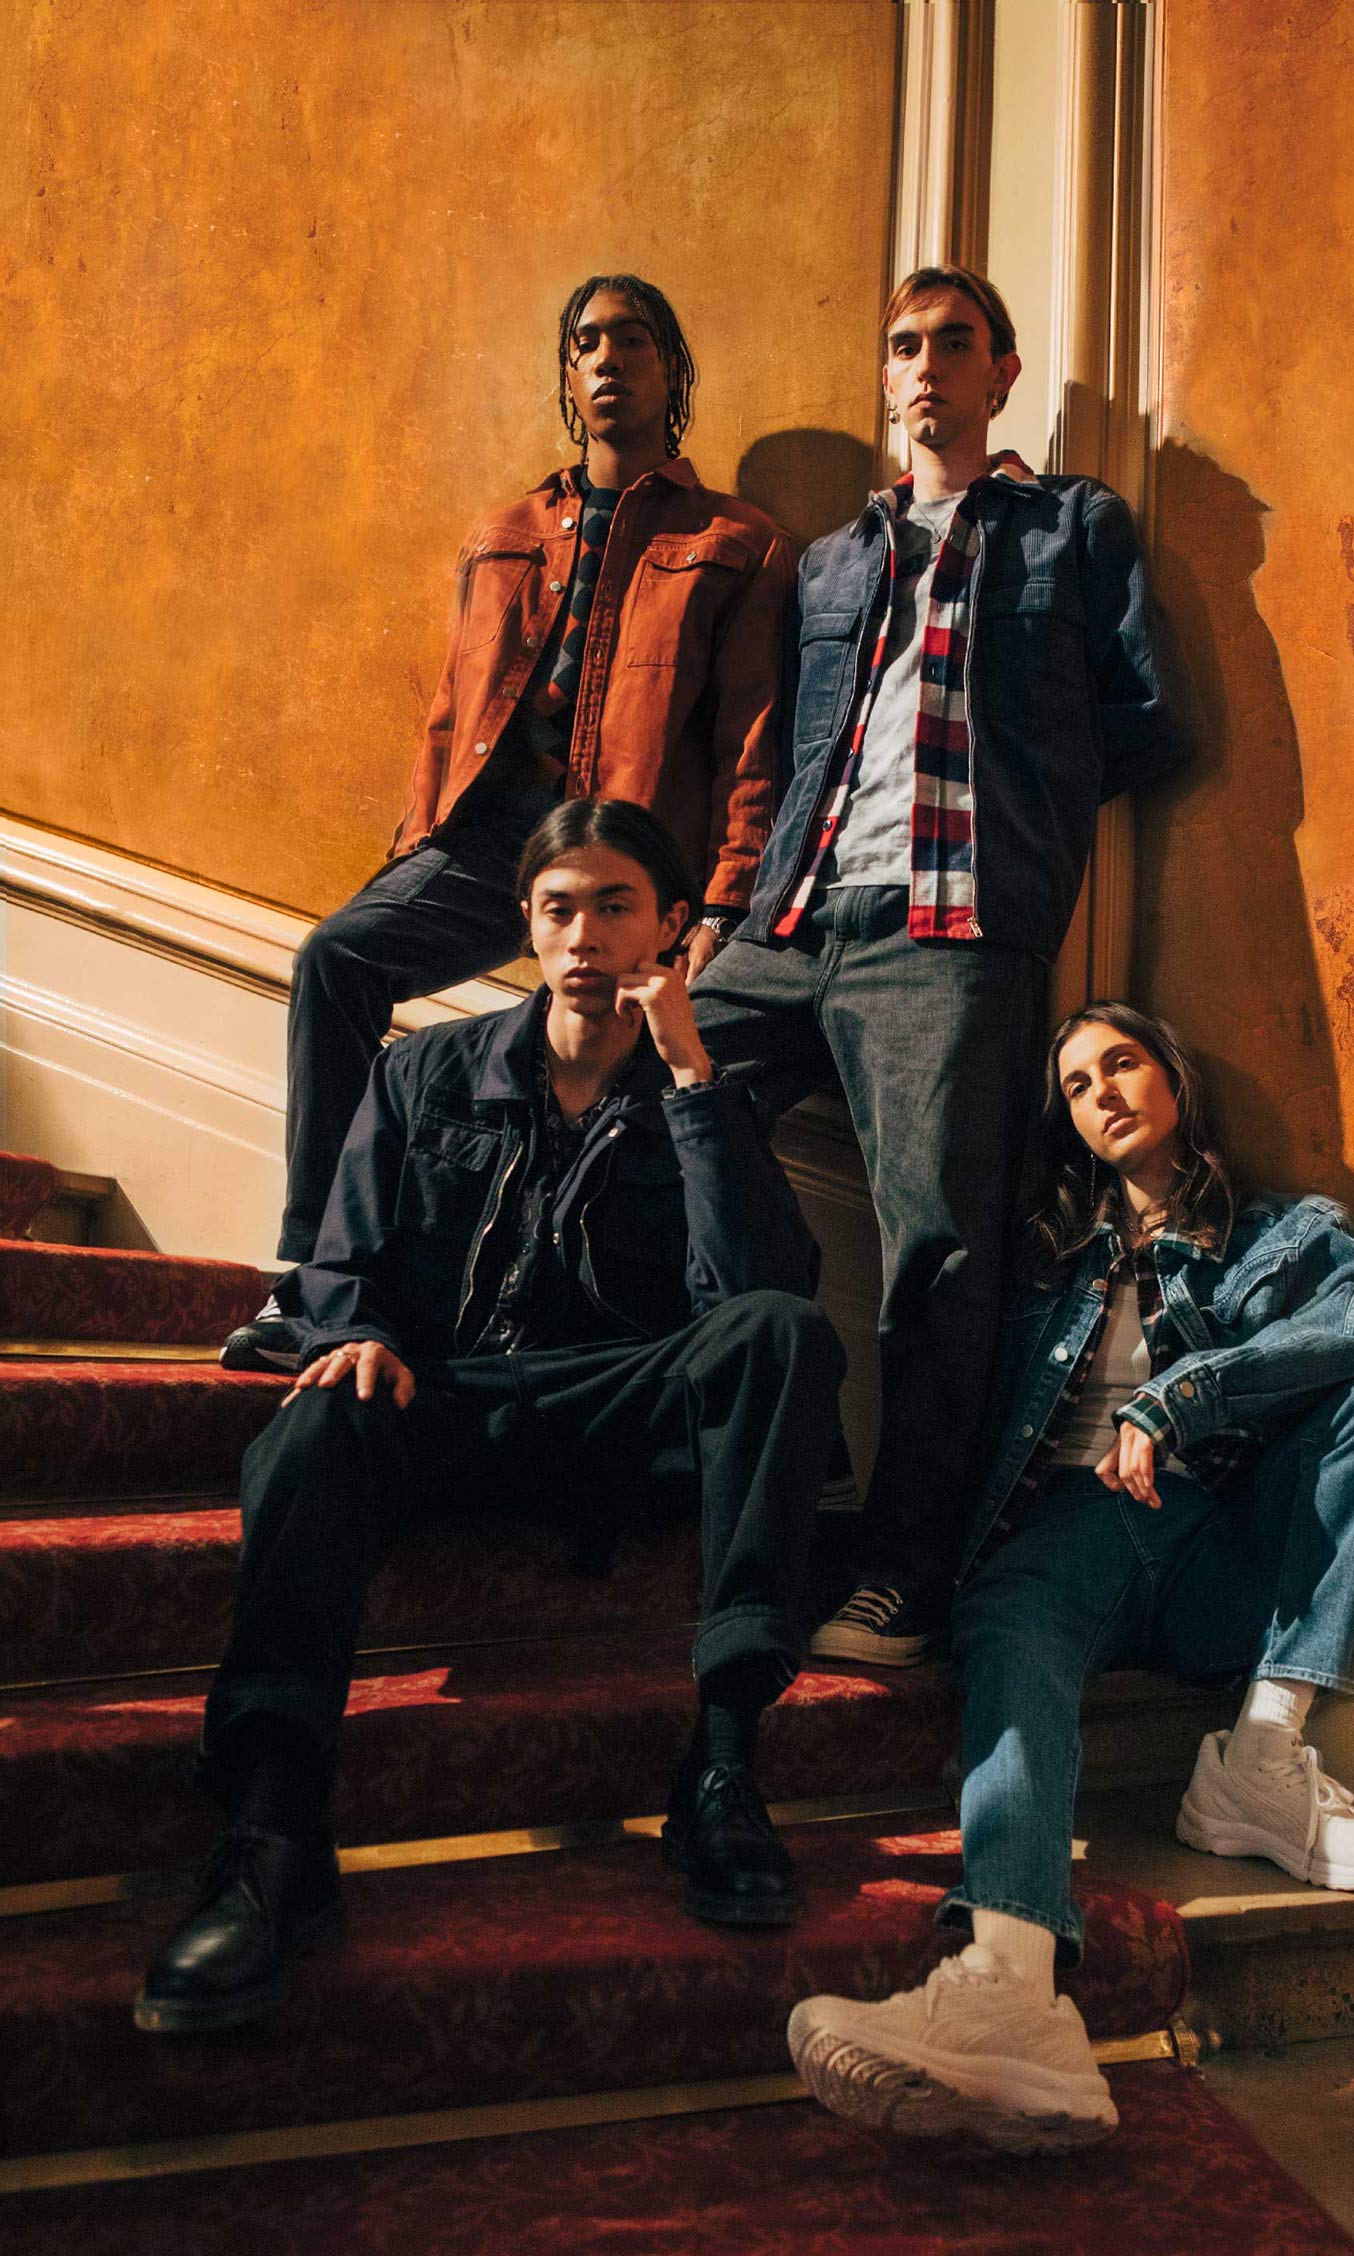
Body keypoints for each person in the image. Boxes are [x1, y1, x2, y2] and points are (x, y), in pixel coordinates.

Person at [138, 803, 844, 2034]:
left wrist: (691, 1077)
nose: (585, 935)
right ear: (526, 924)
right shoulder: (424, 1071)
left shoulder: (700, 1096)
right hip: (450, 1403)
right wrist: (355, 1334)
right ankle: (272, 1834)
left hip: (614, 1415)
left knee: (780, 1333)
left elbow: (750, 1291)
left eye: (616, 906)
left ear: (672, 928)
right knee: (312, 1419)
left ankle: (724, 1768)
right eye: (560, 908)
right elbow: (338, 1260)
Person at [788, 1001, 1354, 2153]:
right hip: (1072, 1529)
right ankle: (1009, 1980)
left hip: (1220, 1538)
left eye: (1122, 1063)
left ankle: (1261, 1757)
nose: (1101, 1093)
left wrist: (1181, 1394)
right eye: (1077, 1085)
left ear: (1175, 1079)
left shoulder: (1284, 1233)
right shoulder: (1038, 1250)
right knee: (1014, 1628)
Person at [691, 265, 1192, 1665]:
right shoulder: (831, 560)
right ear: (887, 376)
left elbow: (1146, 718)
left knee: (939, 1249)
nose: (925, 366)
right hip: (793, 919)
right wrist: (732, 908)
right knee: (652, 1110)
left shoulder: (1071, 527)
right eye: (905, 345)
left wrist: (1017, 830)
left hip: (949, 933)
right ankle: (795, 1435)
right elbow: (792, 744)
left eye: (953, 344)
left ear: (1000, 374)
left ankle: (902, 1572)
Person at [225, 274, 794, 1370]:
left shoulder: (738, 543)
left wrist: (724, 901)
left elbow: (752, 746)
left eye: (633, 339)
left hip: (623, 862)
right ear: (568, 376)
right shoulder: (504, 534)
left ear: (672, 368)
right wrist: (412, 851)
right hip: (488, 847)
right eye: (587, 342)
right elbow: (448, 711)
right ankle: (312, 1283)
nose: (608, 358)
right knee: (336, 957)